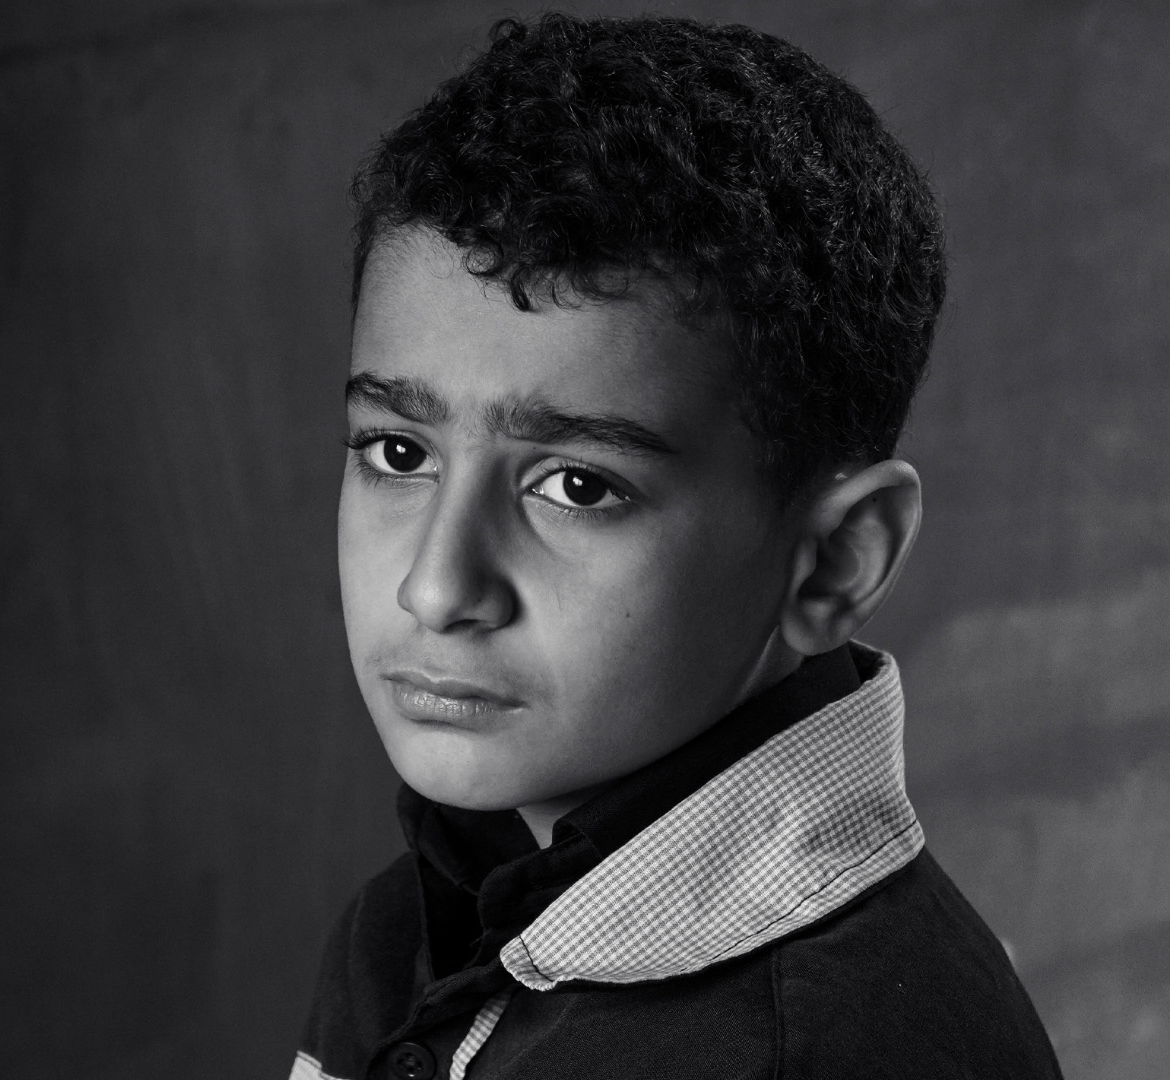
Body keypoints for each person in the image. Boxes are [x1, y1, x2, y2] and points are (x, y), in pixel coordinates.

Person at [293, 13, 1063, 1080]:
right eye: (397, 452)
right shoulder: (413, 926)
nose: (436, 588)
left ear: (838, 559)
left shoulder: (812, 1049)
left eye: (578, 486)